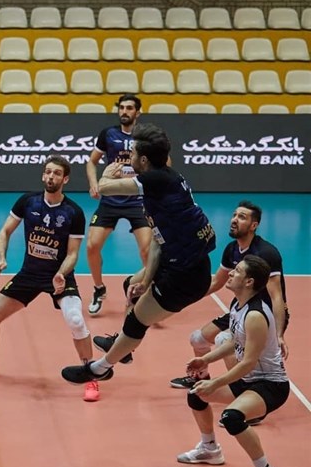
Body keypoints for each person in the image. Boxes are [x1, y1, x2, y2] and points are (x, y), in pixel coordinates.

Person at [61, 123, 216, 384]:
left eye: (132, 153)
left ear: (143, 160)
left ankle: (99, 368)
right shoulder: (165, 180)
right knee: (132, 285)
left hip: (185, 278)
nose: (128, 156)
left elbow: (104, 188)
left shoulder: (155, 180)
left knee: (136, 322)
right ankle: (124, 345)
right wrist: (147, 279)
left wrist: (106, 174)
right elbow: (158, 238)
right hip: (176, 259)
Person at [0, 155, 103, 402]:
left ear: (65, 179)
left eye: (56, 173)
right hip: (29, 274)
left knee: (76, 320)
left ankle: (90, 375)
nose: (51, 176)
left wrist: (60, 274)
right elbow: (5, 231)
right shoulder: (28, 202)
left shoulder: (74, 212)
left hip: (58, 276)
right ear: (42, 175)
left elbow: (72, 254)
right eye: (48, 172)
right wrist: (1, 259)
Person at [178, 255, 288, 467]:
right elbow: (235, 342)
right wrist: (205, 359)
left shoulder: (256, 315)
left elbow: (248, 361)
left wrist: (216, 382)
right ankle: (209, 449)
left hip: (270, 384)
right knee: (197, 394)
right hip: (249, 380)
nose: (230, 273)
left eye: (237, 271)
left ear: (249, 281)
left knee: (232, 417)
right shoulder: (238, 305)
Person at [170, 201, 288, 390]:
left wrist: (279, 334)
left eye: (242, 217)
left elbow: (277, 297)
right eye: (234, 215)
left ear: (254, 225)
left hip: (262, 315)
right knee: (198, 339)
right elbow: (216, 282)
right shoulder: (232, 249)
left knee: (224, 341)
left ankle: (242, 389)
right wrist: (182, 298)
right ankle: (200, 376)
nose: (234, 219)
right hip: (240, 309)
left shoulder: (266, 253)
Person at [85, 94, 152, 315]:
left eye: (129, 108)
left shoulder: (146, 135)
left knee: (147, 251)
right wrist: (94, 184)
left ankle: (145, 293)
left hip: (138, 199)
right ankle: (99, 288)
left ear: (138, 112)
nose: (124, 111)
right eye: (122, 107)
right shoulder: (108, 134)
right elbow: (91, 161)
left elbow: (165, 162)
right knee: (92, 246)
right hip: (111, 199)